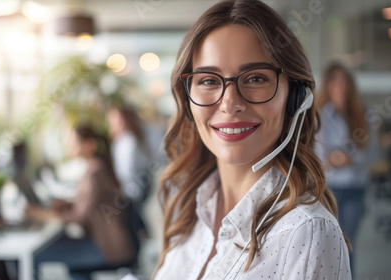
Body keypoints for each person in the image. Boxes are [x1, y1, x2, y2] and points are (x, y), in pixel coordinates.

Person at [153, 1, 351, 279]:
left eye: (256, 78)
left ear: (295, 98)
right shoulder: (189, 208)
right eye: (209, 81)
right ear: (188, 102)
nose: (230, 104)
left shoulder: (306, 231)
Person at [26, 125, 137, 280]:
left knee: (36, 256)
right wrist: (68, 204)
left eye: (73, 142)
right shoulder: (95, 167)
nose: (69, 146)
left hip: (107, 248)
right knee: (65, 255)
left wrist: (43, 215)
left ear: (89, 145)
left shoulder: (95, 172)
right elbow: (92, 205)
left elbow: (80, 217)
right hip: (105, 243)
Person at [314, 62, 377, 274]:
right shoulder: (319, 116)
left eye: (344, 81)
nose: (340, 85)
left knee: (348, 242)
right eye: (335, 80)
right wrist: (342, 157)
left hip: (354, 188)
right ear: (328, 85)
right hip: (328, 188)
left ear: (350, 85)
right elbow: (319, 154)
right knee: (325, 244)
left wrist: (347, 158)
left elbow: (371, 153)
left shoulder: (363, 115)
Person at [106, 106, 152, 212]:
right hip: (134, 191)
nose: (117, 123)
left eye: (119, 119)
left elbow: (126, 171)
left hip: (136, 191)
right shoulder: (119, 142)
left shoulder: (129, 140)